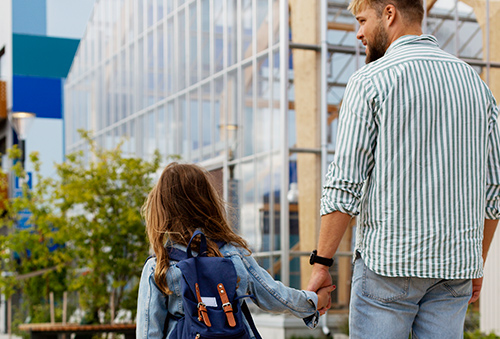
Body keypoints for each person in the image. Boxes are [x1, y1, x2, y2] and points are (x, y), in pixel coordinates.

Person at [307, 0, 500, 337]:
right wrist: (477, 264)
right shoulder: (477, 86)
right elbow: (494, 187)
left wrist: (321, 264)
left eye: (362, 20)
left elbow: (344, 184)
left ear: (390, 13)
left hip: (389, 267)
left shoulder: (370, 81)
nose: (358, 33)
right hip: (454, 270)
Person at [137, 162, 334, 338]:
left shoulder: (160, 265)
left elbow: (148, 332)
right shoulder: (233, 253)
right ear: (208, 203)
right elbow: (274, 296)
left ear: (162, 208)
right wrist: (314, 301)